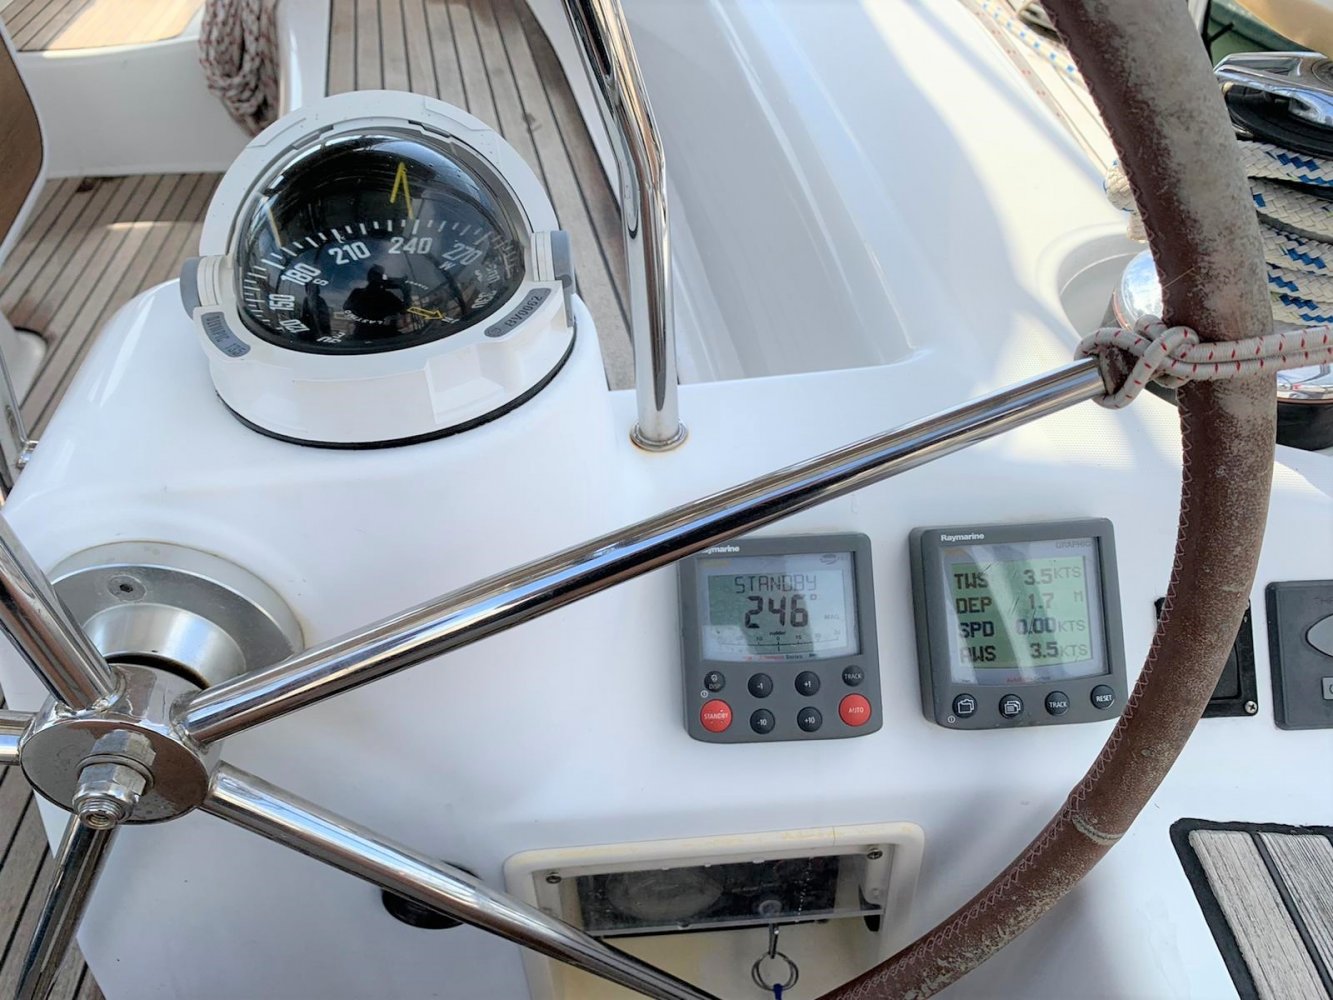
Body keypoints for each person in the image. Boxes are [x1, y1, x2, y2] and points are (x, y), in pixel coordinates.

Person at [344, 265, 406, 341]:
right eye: (375, 275)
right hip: (363, 338)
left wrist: (406, 291)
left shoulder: (388, 296)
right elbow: (347, 309)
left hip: (389, 337)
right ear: (369, 278)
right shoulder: (357, 293)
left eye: (379, 276)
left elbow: (404, 310)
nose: (376, 279)